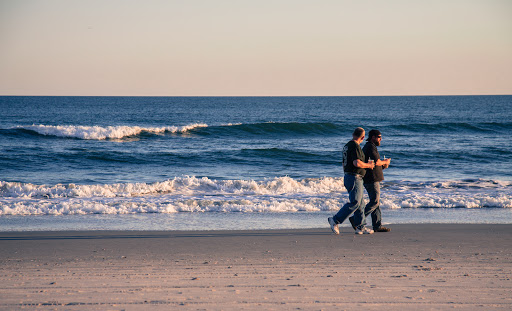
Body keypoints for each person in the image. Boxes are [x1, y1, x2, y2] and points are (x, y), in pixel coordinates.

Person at [328, 127, 375, 235]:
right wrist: (368, 165)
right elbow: (356, 163)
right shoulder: (355, 146)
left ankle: (361, 227)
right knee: (355, 202)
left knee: (361, 204)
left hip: (349, 176)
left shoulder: (347, 146)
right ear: (363, 137)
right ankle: (335, 220)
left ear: (353, 134)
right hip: (354, 177)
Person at [349, 129, 391, 232]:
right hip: (371, 179)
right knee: (375, 202)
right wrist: (385, 162)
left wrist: (383, 166)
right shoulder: (370, 146)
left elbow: (373, 164)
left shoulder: (370, 147)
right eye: (379, 137)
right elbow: (377, 162)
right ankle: (356, 219)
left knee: (375, 202)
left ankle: (377, 225)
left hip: (371, 178)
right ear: (373, 137)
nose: (381, 139)